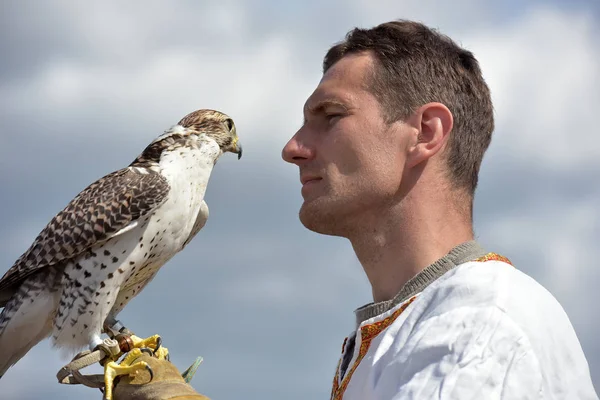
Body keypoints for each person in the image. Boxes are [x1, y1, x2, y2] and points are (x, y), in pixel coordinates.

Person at [281, 20, 598, 399]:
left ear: (426, 133)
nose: (293, 148)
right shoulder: (425, 322)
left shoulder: (480, 321)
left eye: (331, 116)